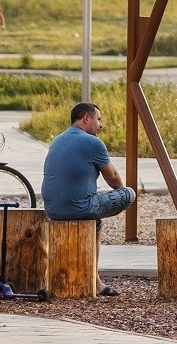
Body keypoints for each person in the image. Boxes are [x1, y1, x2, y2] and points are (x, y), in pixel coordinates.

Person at [41, 102, 135, 297]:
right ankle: (94, 280)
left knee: (95, 221)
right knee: (129, 193)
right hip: (80, 208)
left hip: (53, 209)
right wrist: (120, 193)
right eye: (98, 119)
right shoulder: (93, 143)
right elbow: (114, 179)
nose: (101, 125)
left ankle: (94, 279)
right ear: (86, 118)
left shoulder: (57, 140)